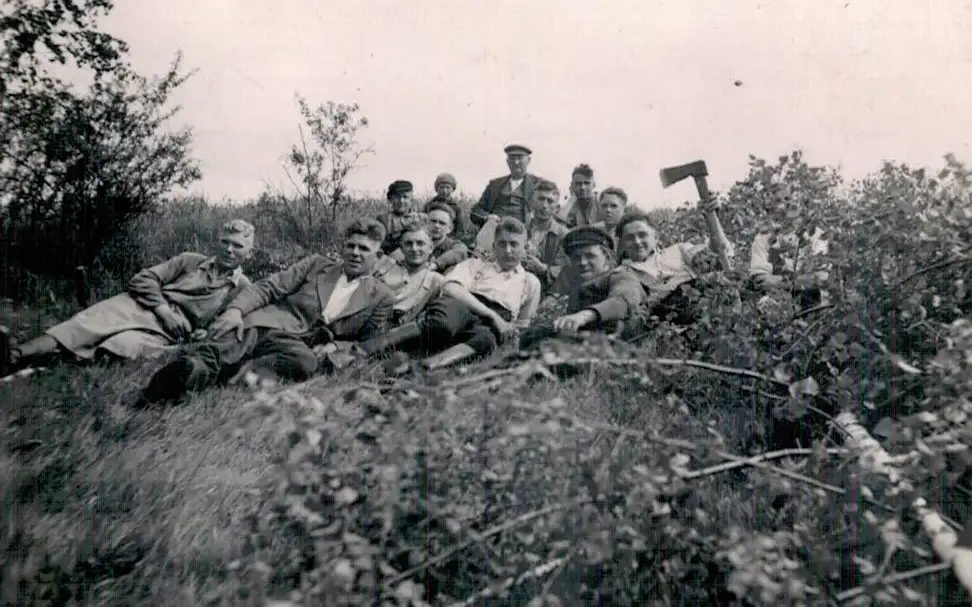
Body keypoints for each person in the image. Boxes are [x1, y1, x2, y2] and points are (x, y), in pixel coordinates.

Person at [137, 219, 394, 403]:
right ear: (343, 247)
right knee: (230, 343)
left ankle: (239, 374)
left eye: (364, 249)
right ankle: (185, 375)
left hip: (297, 345)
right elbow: (267, 288)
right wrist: (235, 310)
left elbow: (370, 343)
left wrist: (335, 347)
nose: (355, 253)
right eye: (351, 246)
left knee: (305, 363)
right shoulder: (317, 265)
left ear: (379, 254)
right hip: (267, 323)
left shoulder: (381, 296)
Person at [0, 219, 257, 376]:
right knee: (84, 326)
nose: (228, 249)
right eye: (224, 242)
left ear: (250, 253)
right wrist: (162, 310)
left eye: (237, 246)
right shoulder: (190, 261)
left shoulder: (243, 288)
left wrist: (202, 333)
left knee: (117, 349)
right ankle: (14, 356)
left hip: (168, 333)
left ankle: (44, 366)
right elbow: (142, 279)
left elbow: (224, 325)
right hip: (140, 305)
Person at [352, 217, 542, 372]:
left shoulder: (530, 282)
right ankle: (362, 350)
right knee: (441, 322)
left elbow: (522, 324)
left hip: (497, 319)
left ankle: (424, 367)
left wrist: (506, 332)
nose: (508, 250)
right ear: (494, 245)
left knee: (486, 341)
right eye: (502, 244)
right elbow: (451, 288)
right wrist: (489, 314)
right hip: (465, 304)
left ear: (525, 247)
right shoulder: (476, 265)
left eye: (514, 245)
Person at [520, 226, 644, 349]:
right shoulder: (577, 285)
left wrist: (584, 316)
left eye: (590, 256)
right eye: (576, 258)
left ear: (606, 255)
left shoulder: (621, 276)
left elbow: (623, 300)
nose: (583, 262)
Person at [616, 198, 735, 325]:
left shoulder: (678, 250)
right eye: (629, 238)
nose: (637, 242)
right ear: (622, 244)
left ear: (655, 237)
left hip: (706, 305)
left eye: (642, 235)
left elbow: (716, 259)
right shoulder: (622, 273)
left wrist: (711, 217)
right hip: (669, 321)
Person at [749, 227, 830, 308]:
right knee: (764, 303)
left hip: (813, 301)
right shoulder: (763, 237)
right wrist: (797, 281)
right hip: (780, 300)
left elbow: (819, 280)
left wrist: (780, 281)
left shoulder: (815, 234)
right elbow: (761, 281)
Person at [469, 144, 545, 229]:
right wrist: (487, 216)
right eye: (512, 158)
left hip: (523, 229)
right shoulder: (494, 185)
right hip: (496, 228)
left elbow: (548, 209)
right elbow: (476, 211)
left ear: (528, 160)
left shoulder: (539, 184)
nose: (516, 162)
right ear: (507, 161)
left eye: (520, 158)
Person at [389, 202, 468, 274]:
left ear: (449, 229)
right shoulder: (413, 240)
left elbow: (461, 251)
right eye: (433, 221)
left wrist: (436, 264)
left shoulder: (453, 245)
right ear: (425, 223)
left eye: (442, 223)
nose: (437, 226)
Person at [520, 179, 569, 291]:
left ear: (557, 208)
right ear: (531, 203)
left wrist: (542, 268)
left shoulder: (565, 235)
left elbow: (566, 272)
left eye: (550, 201)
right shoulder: (520, 229)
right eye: (541, 199)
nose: (544, 205)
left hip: (547, 290)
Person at [423, 172, 472, 244]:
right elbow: (423, 225)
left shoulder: (457, 208)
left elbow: (460, 231)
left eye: (448, 187)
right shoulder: (429, 205)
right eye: (441, 187)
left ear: (453, 189)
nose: (444, 191)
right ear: (437, 189)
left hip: (449, 240)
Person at [377, 180, 418, 254]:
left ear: (411, 200)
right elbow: (379, 245)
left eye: (405, 197)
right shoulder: (383, 220)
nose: (401, 201)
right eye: (397, 197)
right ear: (391, 199)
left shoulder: (418, 218)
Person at [558, 164, 600, 228]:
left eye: (587, 183)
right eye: (578, 183)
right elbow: (558, 222)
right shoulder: (570, 204)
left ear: (594, 185)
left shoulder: (600, 202)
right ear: (572, 185)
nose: (582, 187)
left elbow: (608, 224)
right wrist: (572, 199)